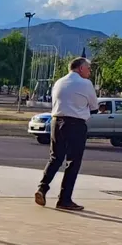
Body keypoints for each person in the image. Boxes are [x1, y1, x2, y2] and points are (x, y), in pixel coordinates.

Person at [35, 57, 97, 211]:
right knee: (73, 162)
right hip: (76, 124)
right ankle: (64, 199)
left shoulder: (59, 82)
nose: (90, 72)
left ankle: (42, 188)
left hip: (56, 121)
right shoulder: (85, 84)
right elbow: (94, 107)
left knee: (55, 158)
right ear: (81, 68)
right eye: (88, 69)